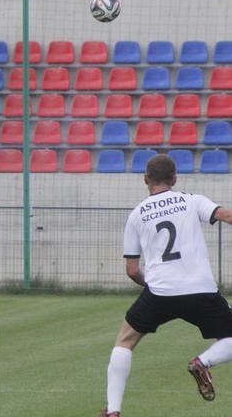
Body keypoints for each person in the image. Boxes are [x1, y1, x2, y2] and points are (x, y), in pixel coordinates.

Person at [100, 154, 232, 417]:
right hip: (201, 289)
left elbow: (132, 269)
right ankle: (202, 362)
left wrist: (150, 284)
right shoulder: (192, 200)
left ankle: (113, 411)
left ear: (145, 179)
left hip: (160, 292)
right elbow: (225, 215)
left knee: (124, 342)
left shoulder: (137, 214)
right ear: (175, 179)